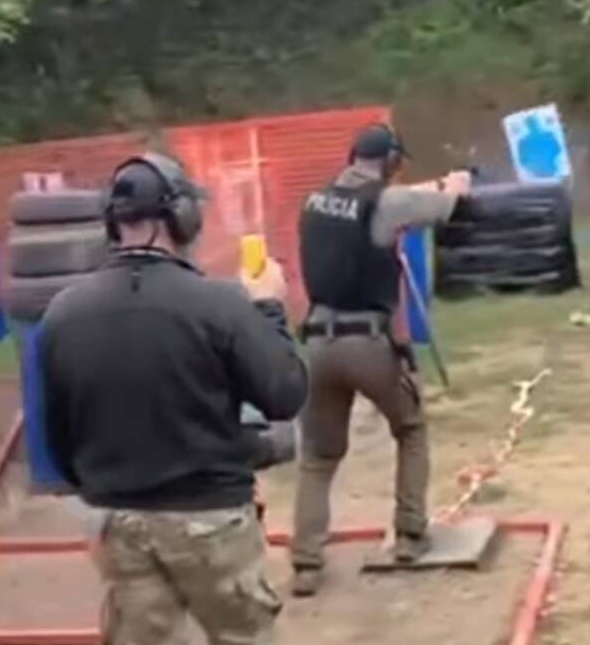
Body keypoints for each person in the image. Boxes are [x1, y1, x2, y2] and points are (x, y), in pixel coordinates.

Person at [40, 151, 307, 645]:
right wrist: (269, 306)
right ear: (181, 217)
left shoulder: (61, 314)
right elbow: (284, 394)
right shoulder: (218, 304)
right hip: (209, 519)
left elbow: (58, 441)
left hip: (117, 522)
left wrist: (108, 487)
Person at [290, 124, 472, 596]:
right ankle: (411, 534)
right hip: (366, 343)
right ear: (390, 160)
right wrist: (455, 184)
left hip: (314, 344)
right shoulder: (388, 203)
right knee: (410, 429)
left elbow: (373, 207)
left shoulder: (314, 201)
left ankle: (306, 562)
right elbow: (443, 205)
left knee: (317, 458)